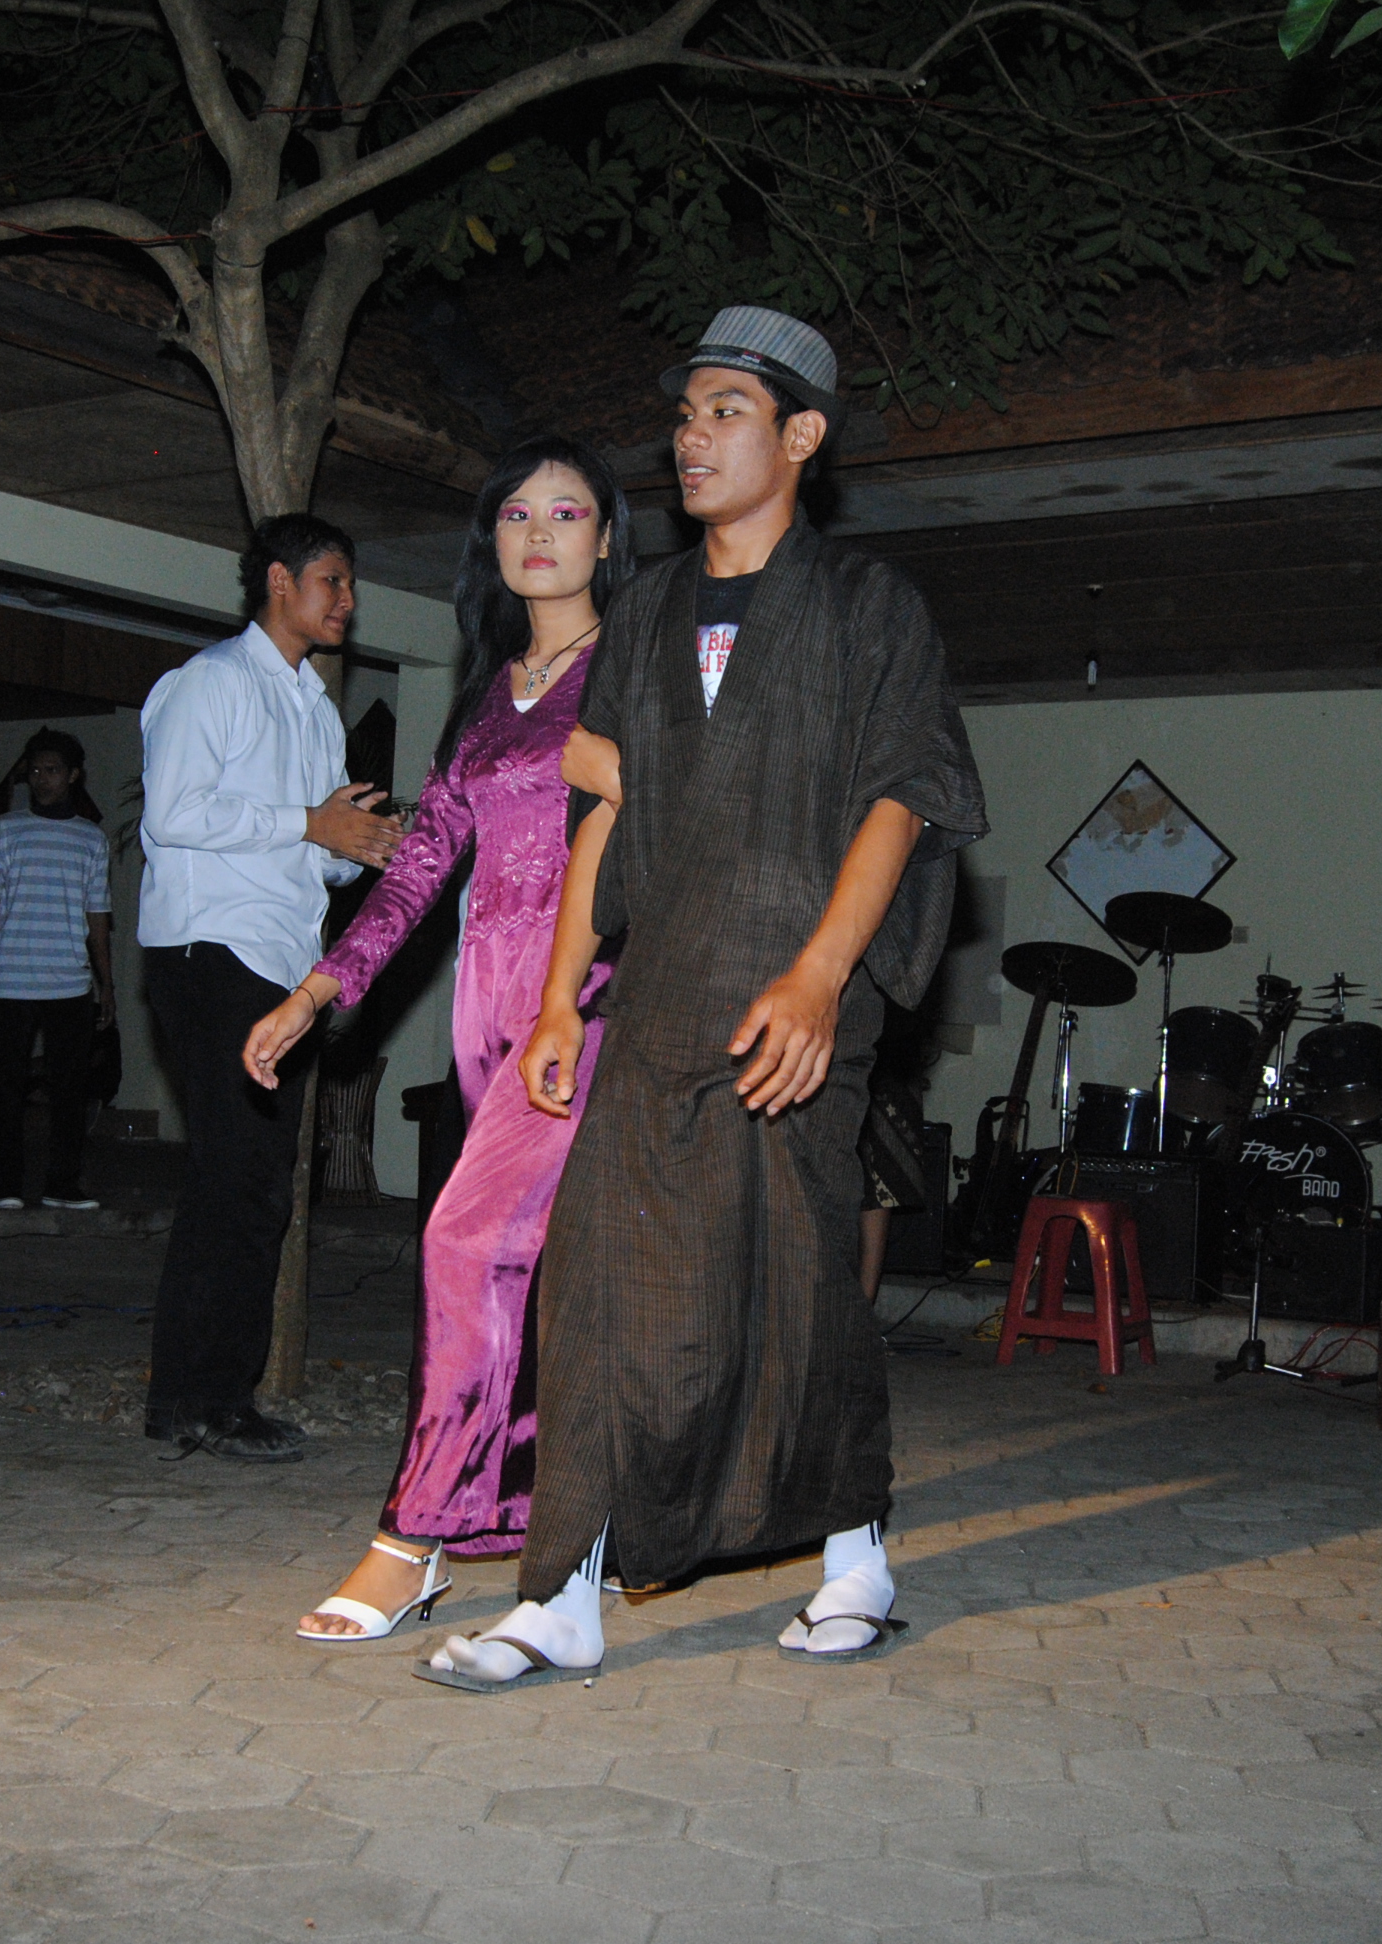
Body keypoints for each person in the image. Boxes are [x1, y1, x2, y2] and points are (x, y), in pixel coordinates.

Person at [423, 307, 986, 1692]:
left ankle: (854, 1559)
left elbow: (906, 796)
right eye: (683, 415)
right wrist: (561, 1000)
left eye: (727, 411)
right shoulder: (649, 610)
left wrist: (822, 975)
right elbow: (605, 810)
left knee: (796, 1280)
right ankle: (563, 1594)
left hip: (796, 990)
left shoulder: (868, 607)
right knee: (596, 1278)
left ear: (802, 436)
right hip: (661, 989)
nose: (692, 437)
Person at [239, 438, 632, 1639]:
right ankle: (571, 1520)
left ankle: (409, 1541)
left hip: (589, 1004)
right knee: (543, 1273)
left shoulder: (632, 672)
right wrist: (316, 992)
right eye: (516, 514)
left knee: (464, 1245)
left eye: (566, 511)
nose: (540, 531)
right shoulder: (486, 696)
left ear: (606, 538)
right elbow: (417, 868)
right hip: (484, 1018)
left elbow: (684, 818)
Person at [137, 513, 401, 1461]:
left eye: (351, 584)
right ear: (280, 581)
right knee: (237, 1180)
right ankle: (205, 1399)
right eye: (333, 580)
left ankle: (198, 1398)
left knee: (254, 1184)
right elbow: (172, 814)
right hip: (211, 953)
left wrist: (360, 846)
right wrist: (307, 823)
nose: (348, 600)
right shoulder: (211, 681)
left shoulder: (316, 708)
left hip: (281, 967)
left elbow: (315, 854)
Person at [0, 727, 114, 1212]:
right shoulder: (6, 829)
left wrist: (107, 984)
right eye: (35, 770)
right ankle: (4, 1184)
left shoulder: (90, 838)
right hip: (10, 978)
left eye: (52, 770)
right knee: (5, 1089)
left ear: (73, 775)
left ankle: (62, 1184)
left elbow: (98, 917)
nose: (41, 779)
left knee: (68, 1091)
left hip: (69, 982)